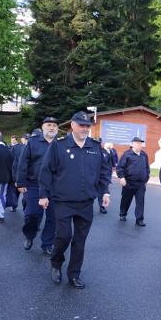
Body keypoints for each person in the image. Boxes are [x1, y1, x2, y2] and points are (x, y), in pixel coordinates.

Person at [38, 111, 112, 289]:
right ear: (72, 125)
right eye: (81, 125)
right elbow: (46, 170)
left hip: (86, 202)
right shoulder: (59, 145)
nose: (85, 129)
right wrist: (43, 195)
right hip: (63, 201)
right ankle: (56, 263)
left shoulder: (95, 147)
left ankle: (74, 274)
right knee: (63, 236)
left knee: (80, 240)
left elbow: (103, 172)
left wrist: (105, 193)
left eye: (87, 126)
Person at [16, 117, 59, 255]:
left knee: (54, 217)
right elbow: (23, 162)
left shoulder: (61, 144)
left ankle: (47, 243)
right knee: (32, 213)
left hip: (55, 186)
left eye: (54, 125)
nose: (52, 127)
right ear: (43, 127)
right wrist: (21, 182)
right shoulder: (33, 142)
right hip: (34, 184)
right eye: (49, 125)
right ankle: (29, 235)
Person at [116, 137, 150, 226]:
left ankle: (139, 219)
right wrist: (121, 177)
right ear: (133, 144)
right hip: (129, 183)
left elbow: (147, 167)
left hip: (141, 184)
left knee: (140, 202)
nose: (140, 145)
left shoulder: (144, 155)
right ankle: (123, 214)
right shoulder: (127, 154)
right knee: (126, 200)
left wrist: (146, 177)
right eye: (138, 143)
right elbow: (120, 167)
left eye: (141, 143)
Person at [7, 133, 29, 212]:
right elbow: (14, 163)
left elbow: (14, 163)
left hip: (23, 176)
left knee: (19, 192)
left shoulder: (18, 148)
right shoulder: (17, 148)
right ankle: (18, 206)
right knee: (20, 192)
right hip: (21, 175)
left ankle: (17, 206)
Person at [98, 142, 116, 214]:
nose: (112, 146)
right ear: (106, 145)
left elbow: (113, 160)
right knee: (97, 190)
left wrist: (114, 167)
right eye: (111, 144)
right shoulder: (101, 151)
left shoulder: (112, 151)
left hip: (108, 173)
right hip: (100, 174)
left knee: (103, 190)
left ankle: (102, 206)